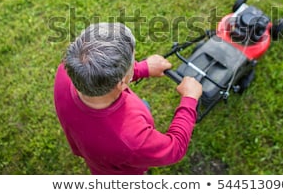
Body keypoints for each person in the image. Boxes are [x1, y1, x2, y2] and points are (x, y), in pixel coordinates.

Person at [54, 22, 202, 175]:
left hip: (93, 148)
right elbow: (174, 148)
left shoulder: (65, 72)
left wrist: (142, 68)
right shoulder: (132, 140)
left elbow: (99, 75)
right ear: (123, 82)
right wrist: (189, 99)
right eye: (132, 62)